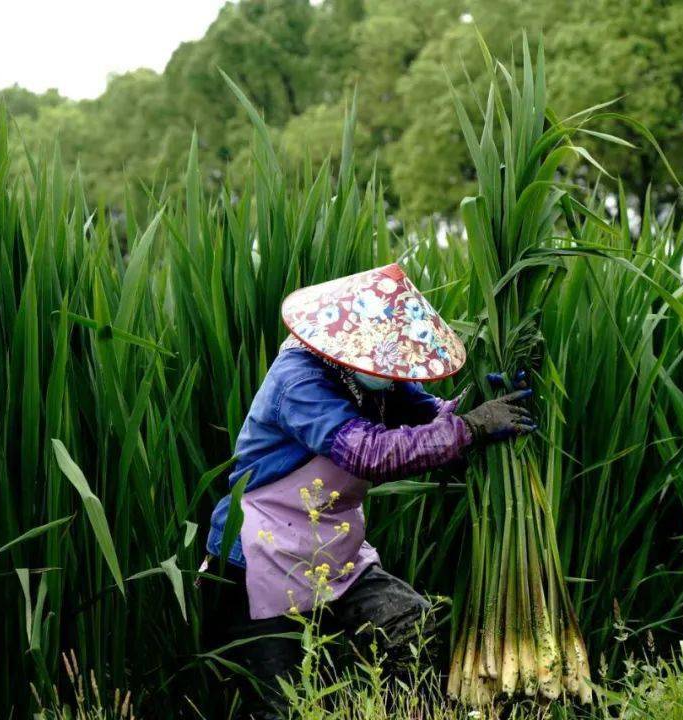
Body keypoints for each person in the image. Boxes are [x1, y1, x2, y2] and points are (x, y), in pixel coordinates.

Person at [203, 263, 535, 717]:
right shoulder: (299, 379)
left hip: (331, 551)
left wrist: (477, 404)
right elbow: (367, 453)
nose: (391, 370)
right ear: (346, 342)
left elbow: (430, 417)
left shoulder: (373, 375)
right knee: (284, 705)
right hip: (257, 557)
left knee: (409, 623)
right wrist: (472, 428)